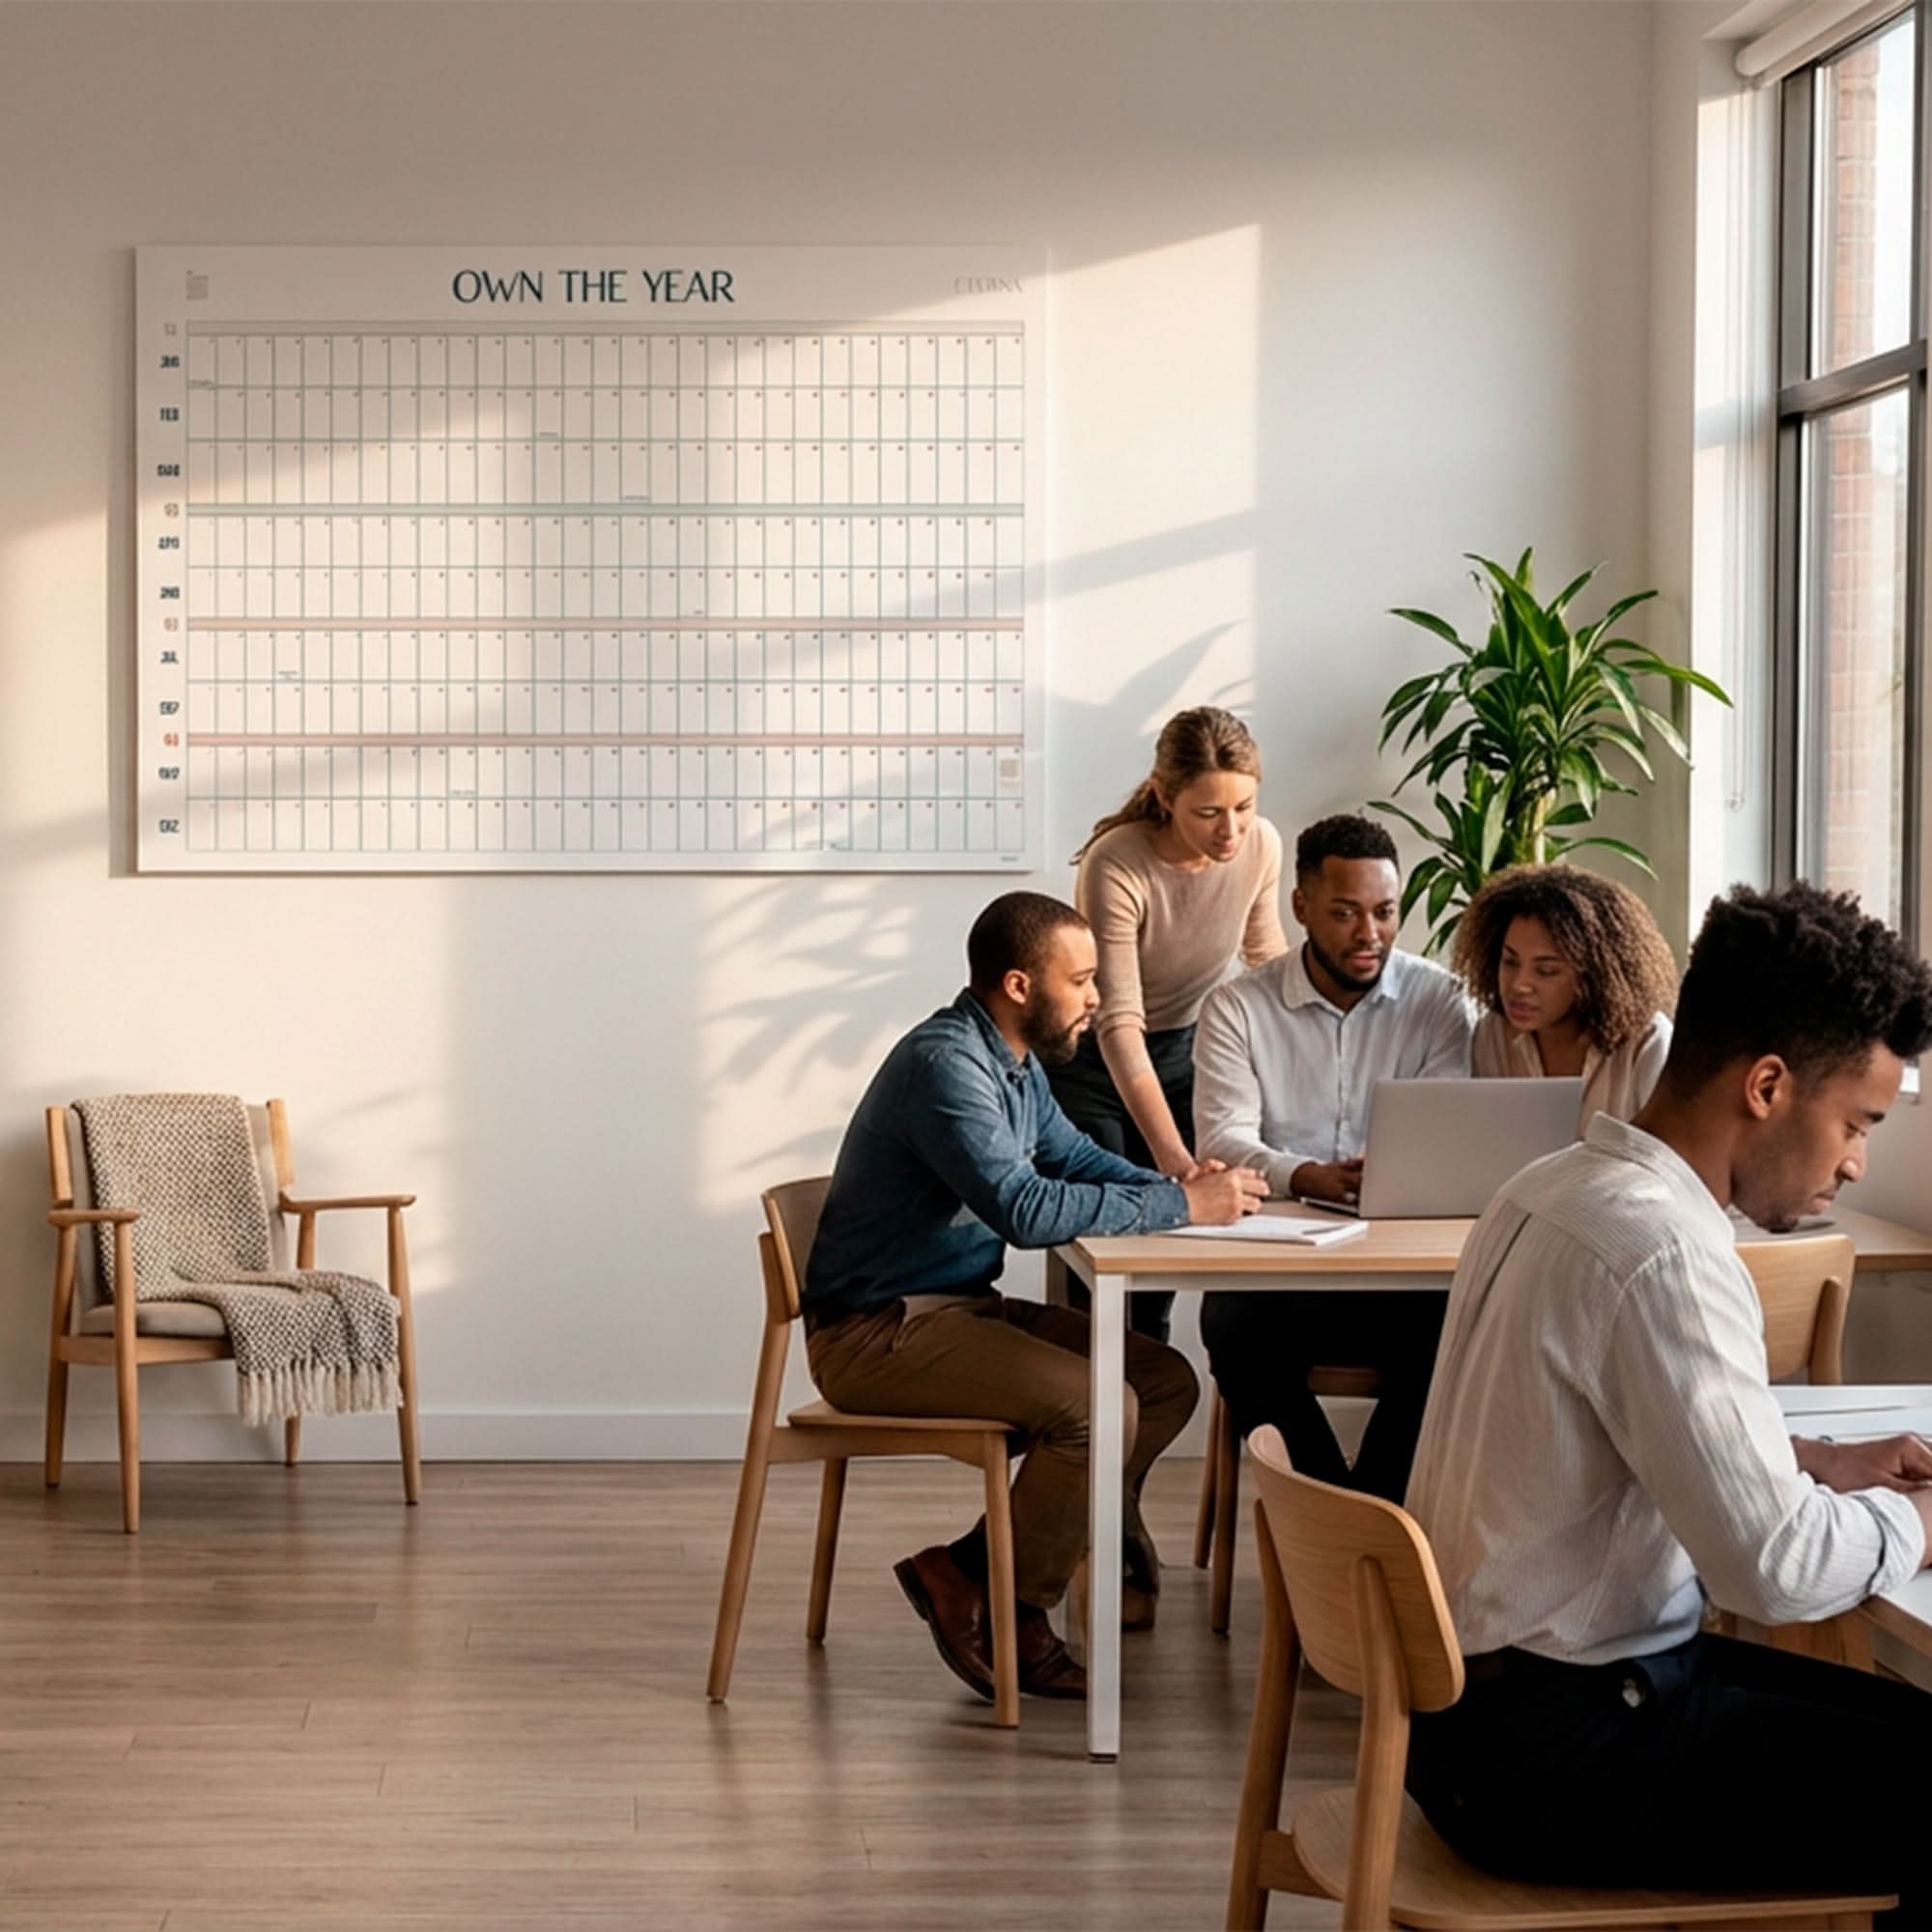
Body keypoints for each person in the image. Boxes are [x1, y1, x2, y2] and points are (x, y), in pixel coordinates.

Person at [1405, 882, 1932, 1919]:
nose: (1856, 1158)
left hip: (1475, 1715)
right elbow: (1771, 1568)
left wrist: (1810, 1464)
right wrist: (1914, 1522)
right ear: (1767, 1085)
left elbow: (1618, 1436)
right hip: (1555, 1756)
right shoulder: (1664, 1252)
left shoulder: (1550, 1186)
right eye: (1855, 1120)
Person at [803, 891, 1266, 1701]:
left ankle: (968, 1570)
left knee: (1162, 1383)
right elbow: (1026, 1210)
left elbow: (1075, 1158)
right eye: (1081, 980)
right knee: (1098, 1408)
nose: (1098, 998)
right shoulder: (946, 1066)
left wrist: (1186, 1182)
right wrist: (1182, 1209)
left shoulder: (1012, 1062)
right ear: (1019, 985)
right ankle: (1016, 1609)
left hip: (950, 1309)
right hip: (875, 1334)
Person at [1191, 812, 1473, 1497]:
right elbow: (1222, 1139)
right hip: (1285, 1274)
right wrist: (1306, 1174)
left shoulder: (1438, 1000)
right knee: (1228, 1321)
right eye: (1346, 912)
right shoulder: (1237, 1007)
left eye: (1384, 912)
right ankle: (1333, 1517)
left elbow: (1447, 1126)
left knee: (1466, 1329)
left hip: (1403, 1275)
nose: (1368, 934)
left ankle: (1373, 1517)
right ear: (1301, 907)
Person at [1049, 706, 1290, 1343]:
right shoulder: (1117, 863)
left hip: (1184, 1050)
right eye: (1208, 813)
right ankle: (1084, 1425)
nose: (1231, 830)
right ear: (1163, 796)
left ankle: (1138, 1424)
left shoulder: (1261, 844)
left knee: (1158, 1267)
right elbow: (1120, 1021)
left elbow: (1269, 963)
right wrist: (1177, 1164)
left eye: (1243, 806)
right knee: (1099, 1261)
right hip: (1094, 1064)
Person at [1452, 863, 1676, 1132]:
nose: (1520, 985)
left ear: (1592, 974)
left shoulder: (1647, 1045)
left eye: (1545, 971)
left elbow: (1670, 1161)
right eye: (1510, 962)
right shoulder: (1493, 1035)